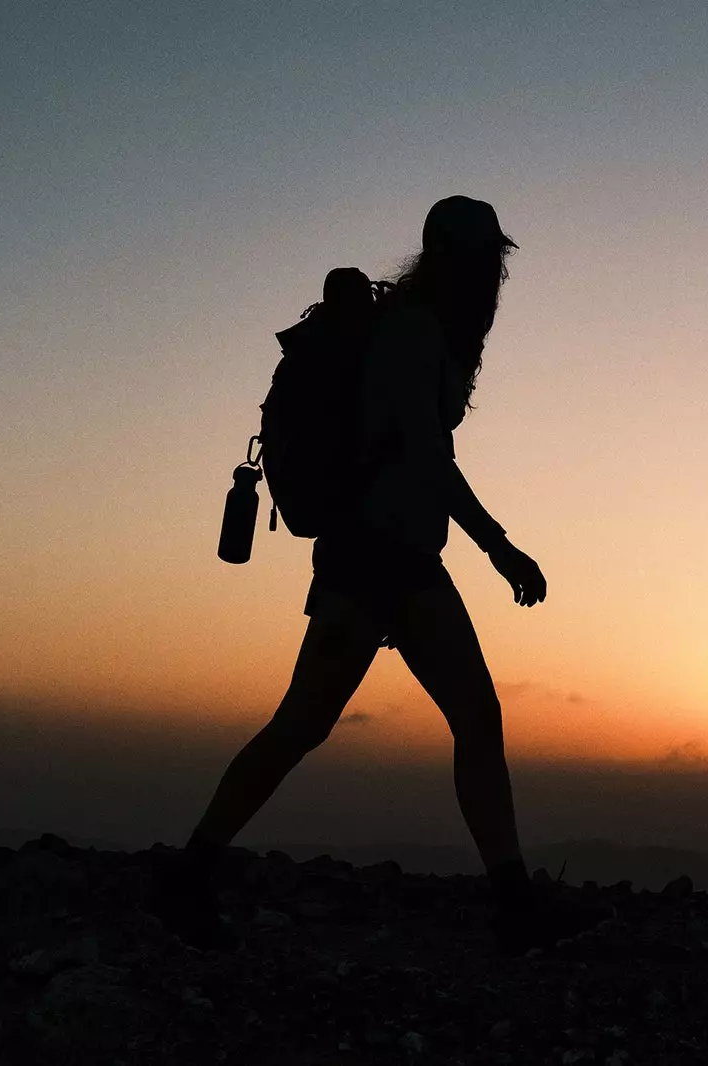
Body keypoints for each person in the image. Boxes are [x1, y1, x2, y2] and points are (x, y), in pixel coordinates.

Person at [159, 196, 598, 954]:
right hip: (370, 558)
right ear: (457, 258)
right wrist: (499, 547)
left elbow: (424, 454)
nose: (493, 274)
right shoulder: (414, 330)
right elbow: (426, 454)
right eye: (484, 258)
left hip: (404, 561)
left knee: (468, 717)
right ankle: (186, 878)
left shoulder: (429, 329)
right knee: (304, 723)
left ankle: (515, 906)